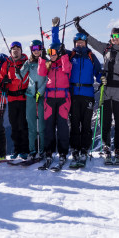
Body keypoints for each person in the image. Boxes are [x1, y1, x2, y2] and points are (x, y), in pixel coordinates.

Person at [75, 19, 119, 166]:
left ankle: (118, 149)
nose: (115, 38)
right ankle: (106, 147)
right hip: (106, 89)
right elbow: (91, 41)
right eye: (113, 36)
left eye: (117, 36)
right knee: (105, 120)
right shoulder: (105, 48)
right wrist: (79, 28)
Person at [38, 26, 73, 169]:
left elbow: (67, 70)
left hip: (64, 98)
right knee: (49, 127)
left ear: (59, 52)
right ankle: (49, 152)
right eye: (49, 52)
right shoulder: (48, 64)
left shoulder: (65, 62)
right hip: (50, 99)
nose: (51, 54)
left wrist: (63, 55)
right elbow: (41, 73)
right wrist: (42, 57)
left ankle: (63, 153)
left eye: (53, 52)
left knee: (63, 127)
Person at [66, 32, 102, 168]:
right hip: (73, 93)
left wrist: (101, 79)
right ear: (74, 43)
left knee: (86, 124)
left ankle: (84, 149)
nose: (80, 44)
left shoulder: (91, 57)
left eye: (82, 42)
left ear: (86, 43)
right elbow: (56, 51)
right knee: (74, 123)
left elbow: (98, 72)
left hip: (87, 94)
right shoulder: (70, 56)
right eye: (77, 42)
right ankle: (75, 149)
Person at [0, 41, 31, 160]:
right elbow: (1, 78)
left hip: (23, 97)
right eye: (13, 49)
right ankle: (17, 150)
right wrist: (4, 82)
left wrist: (14, 79)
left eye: (18, 48)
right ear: (10, 51)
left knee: (23, 124)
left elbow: (28, 78)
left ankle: (25, 150)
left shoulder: (26, 63)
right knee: (14, 125)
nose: (15, 50)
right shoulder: (6, 64)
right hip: (11, 98)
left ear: (21, 50)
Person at [20, 39, 47, 159]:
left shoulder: (46, 62)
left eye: (38, 48)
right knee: (31, 124)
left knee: (41, 125)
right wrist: (18, 71)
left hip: (41, 96)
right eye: (34, 49)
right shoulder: (28, 62)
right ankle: (32, 150)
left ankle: (42, 149)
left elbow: (47, 79)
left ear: (41, 49)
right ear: (31, 50)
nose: (36, 51)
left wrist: (41, 91)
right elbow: (20, 75)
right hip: (30, 95)